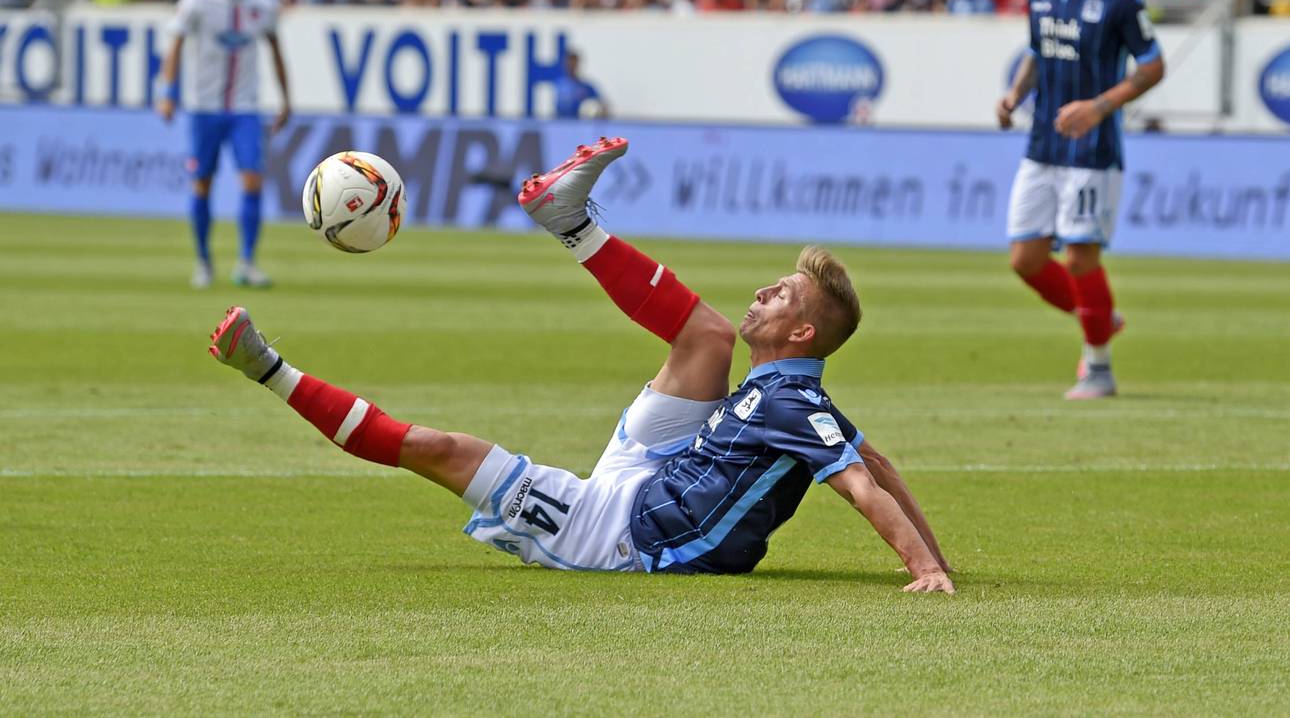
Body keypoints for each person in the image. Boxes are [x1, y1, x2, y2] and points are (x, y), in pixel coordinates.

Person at [208, 138, 955, 593]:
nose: (764, 289)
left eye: (781, 293)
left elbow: (859, 481)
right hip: (661, 469)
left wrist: (924, 568)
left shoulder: (795, 406)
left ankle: (265, 366)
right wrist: (937, 551)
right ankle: (570, 222)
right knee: (708, 337)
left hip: (627, 534)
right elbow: (878, 461)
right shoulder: (777, 389)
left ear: (800, 330)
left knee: (437, 450)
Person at [997, 0, 1165, 399]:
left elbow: (1153, 65)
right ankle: (1100, 316)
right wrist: (1015, 95)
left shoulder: (1120, 1)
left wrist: (1098, 106)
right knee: (1025, 259)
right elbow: (1038, 51)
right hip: (1043, 145)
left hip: (1092, 151)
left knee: (1079, 257)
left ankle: (1099, 367)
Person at [158, 0, 291, 289]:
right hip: (203, 108)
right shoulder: (197, 2)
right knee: (202, 183)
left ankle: (247, 262)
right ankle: (203, 261)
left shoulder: (264, 6)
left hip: (245, 109)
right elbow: (175, 43)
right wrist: (167, 93)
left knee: (253, 180)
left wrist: (286, 99)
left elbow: (275, 51)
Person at [554, 51, 608, 120]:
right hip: (562, 124)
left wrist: (598, 112)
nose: (571, 67)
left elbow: (603, 105)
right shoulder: (559, 85)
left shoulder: (586, 87)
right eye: (569, 64)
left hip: (580, 126)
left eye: (574, 64)